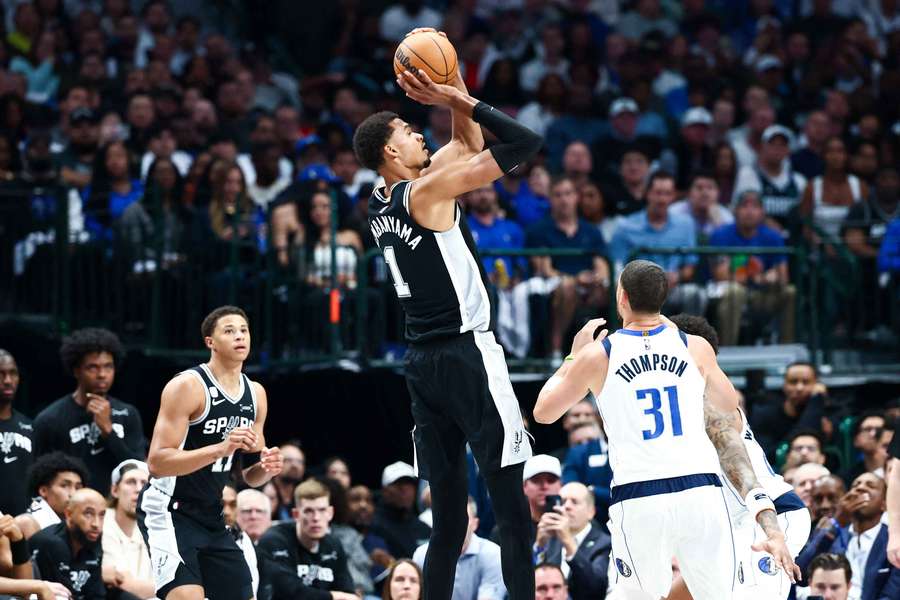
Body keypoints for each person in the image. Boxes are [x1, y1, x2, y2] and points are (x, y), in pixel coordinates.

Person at [355, 29, 542, 600]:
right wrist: (456, 99)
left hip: (422, 367)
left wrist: (453, 83)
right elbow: (523, 142)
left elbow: (462, 148)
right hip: (468, 355)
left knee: (450, 525)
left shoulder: (381, 203)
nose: (420, 135)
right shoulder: (428, 193)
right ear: (392, 152)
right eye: (411, 133)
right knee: (512, 513)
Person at [533, 260, 798, 599]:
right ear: (663, 298)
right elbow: (728, 403)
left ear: (622, 298)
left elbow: (543, 413)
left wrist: (572, 357)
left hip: (640, 494)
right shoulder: (693, 346)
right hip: (700, 491)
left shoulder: (600, 354)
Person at [137, 305, 284, 600]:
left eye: (244, 330)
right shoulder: (187, 386)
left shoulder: (255, 394)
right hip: (168, 509)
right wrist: (220, 448)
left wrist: (267, 467)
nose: (239, 336)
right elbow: (157, 463)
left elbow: (251, 477)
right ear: (210, 342)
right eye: (229, 331)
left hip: (212, 513)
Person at [664, 313, 810, 600]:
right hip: (731, 525)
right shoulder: (675, 405)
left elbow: (743, 474)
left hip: (771, 516)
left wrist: (772, 532)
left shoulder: (712, 402)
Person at [32, 327, 147, 491]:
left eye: (108, 366)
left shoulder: (128, 414)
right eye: (93, 367)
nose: (102, 374)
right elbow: (39, 477)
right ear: (76, 370)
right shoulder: (50, 419)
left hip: (116, 510)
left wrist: (108, 431)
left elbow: (138, 470)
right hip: (71, 509)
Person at [526, 176, 610, 358]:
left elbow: (602, 266)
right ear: (550, 199)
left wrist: (596, 279)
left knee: (613, 288)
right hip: (553, 286)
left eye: (568, 194)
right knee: (567, 287)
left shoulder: (591, 231)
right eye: (558, 195)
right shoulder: (538, 230)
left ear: (576, 197)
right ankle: (555, 349)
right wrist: (576, 280)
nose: (564, 199)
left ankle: (612, 349)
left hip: (588, 286)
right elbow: (544, 269)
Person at [609, 173, 707, 316]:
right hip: (638, 291)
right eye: (658, 193)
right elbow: (617, 268)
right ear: (647, 194)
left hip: (673, 289)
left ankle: (688, 337)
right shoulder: (626, 226)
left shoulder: (685, 224)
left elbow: (689, 266)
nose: (662, 199)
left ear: (673, 196)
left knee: (697, 295)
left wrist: (677, 276)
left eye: (667, 194)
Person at [708, 190, 795, 345]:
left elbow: (784, 277)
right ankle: (727, 353)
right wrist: (755, 277)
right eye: (744, 206)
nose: (749, 211)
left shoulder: (773, 237)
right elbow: (720, 274)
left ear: (762, 212)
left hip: (759, 295)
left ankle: (786, 351)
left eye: (755, 206)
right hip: (725, 293)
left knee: (789, 292)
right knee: (736, 291)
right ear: (735, 211)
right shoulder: (721, 234)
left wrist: (775, 276)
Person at [257, 479, 356, 600]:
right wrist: (334, 596)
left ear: (330, 513)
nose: (316, 518)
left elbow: (347, 590)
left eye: (322, 510)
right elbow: (290, 593)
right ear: (296, 515)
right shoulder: (274, 540)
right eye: (309, 511)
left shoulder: (334, 544)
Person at [413, 497, 505, 600]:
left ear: (475, 524)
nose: (455, 524)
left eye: (462, 518)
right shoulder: (422, 555)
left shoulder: (493, 554)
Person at [537, 482, 610, 600]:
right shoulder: (550, 538)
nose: (567, 506)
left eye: (574, 502)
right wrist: (539, 546)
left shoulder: (605, 544)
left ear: (591, 512)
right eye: (563, 501)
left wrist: (568, 541)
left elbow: (596, 588)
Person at [30, 488, 107, 599]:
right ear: (69, 514)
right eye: (88, 514)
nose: (96, 524)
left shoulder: (92, 537)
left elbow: (96, 594)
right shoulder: (53, 543)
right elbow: (61, 595)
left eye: (101, 515)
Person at [732, 124, 807, 231]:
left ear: (788, 150)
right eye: (772, 144)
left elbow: (805, 216)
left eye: (782, 145)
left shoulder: (799, 181)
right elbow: (742, 211)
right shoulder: (748, 175)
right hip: (759, 241)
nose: (777, 149)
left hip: (792, 242)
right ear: (762, 147)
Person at [750, 362, 830, 462]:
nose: (799, 388)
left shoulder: (828, 412)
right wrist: (815, 400)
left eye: (806, 382)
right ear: (784, 385)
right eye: (793, 382)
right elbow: (768, 456)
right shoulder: (764, 415)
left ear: (816, 384)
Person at [102, 459, 153, 599]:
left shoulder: (152, 526)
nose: (138, 489)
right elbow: (125, 585)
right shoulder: (102, 522)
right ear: (115, 490)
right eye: (131, 482)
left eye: (144, 483)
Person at [16, 452, 87, 538]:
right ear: (43, 491)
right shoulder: (27, 522)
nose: (73, 494)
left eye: (78, 487)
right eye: (64, 486)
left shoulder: (78, 523)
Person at [371, 461, 431, 559]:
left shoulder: (424, 529)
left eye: (409, 483)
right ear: (385, 490)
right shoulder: (373, 526)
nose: (405, 489)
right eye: (398, 484)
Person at [0, 349, 34, 516]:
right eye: (1, 374)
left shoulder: (29, 426)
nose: (8, 381)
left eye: (13, 373)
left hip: (23, 526)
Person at [222, 484, 259, 598]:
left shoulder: (243, 538)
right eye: (221, 504)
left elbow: (252, 588)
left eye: (233, 505)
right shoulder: (194, 537)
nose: (226, 511)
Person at [844, 412, 887, 484]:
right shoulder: (846, 478)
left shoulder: (897, 472)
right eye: (868, 429)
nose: (873, 434)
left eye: (879, 430)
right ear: (856, 440)